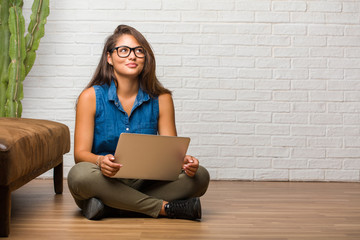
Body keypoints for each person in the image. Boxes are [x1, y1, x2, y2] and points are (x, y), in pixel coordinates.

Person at [67, 25, 210, 221]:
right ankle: (165, 208)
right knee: (79, 175)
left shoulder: (162, 98)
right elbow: (80, 155)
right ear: (109, 58)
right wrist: (101, 161)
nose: (132, 56)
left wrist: (184, 162)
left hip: (147, 181)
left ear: (145, 58)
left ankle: (109, 207)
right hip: (104, 179)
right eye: (123, 50)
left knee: (200, 176)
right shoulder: (90, 97)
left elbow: (170, 153)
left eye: (138, 51)